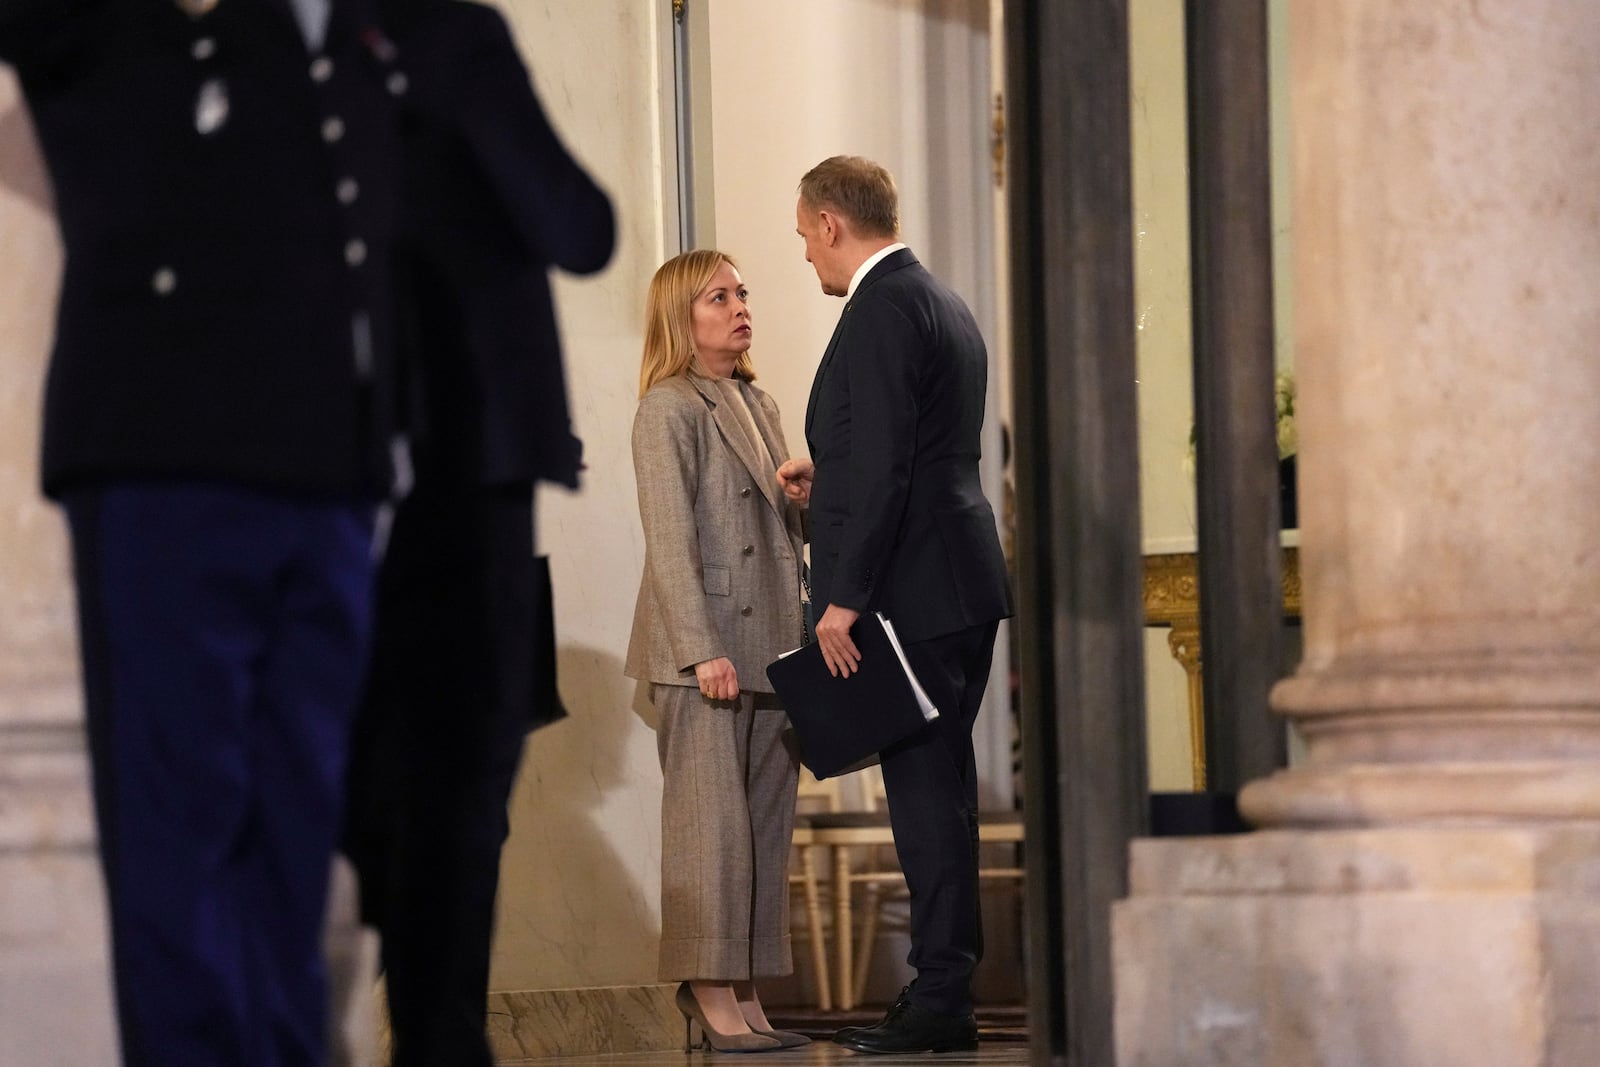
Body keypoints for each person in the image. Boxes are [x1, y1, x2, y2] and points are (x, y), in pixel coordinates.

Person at [0, 2, 407, 1064]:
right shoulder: (99, 30)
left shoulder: (326, 30)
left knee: (293, 836)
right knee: (179, 832)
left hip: (329, 469)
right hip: (159, 462)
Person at [338, 2, 615, 1064]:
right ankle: (439, 1038)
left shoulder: (263, 47)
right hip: (458, 480)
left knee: (370, 782)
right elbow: (578, 227)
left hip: (316, 479)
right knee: (454, 784)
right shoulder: (449, 40)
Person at [778, 155, 1013, 1055]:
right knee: (944, 790)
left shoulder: (877, 309)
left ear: (833, 224)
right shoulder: (942, 301)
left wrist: (843, 600)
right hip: (957, 575)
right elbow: (904, 451)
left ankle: (941, 999)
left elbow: (886, 465)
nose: (807, 257)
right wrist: (825, 474)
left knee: (924, 796)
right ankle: (946, 985)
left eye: (805, 237)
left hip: (911, 591)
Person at [625, 249, 810, 1054]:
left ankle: (743, 987)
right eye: (719, 296)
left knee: (764, 827)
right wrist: (702, 650)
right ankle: (708, 990)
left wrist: (804, 500)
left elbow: (772, 535)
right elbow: (669, 542)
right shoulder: (667, 407)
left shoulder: (758, 402)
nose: (740, 306)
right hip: (702, 652)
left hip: (772, 641)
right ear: (681, 315)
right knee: (712, 831)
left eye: (742, 292)